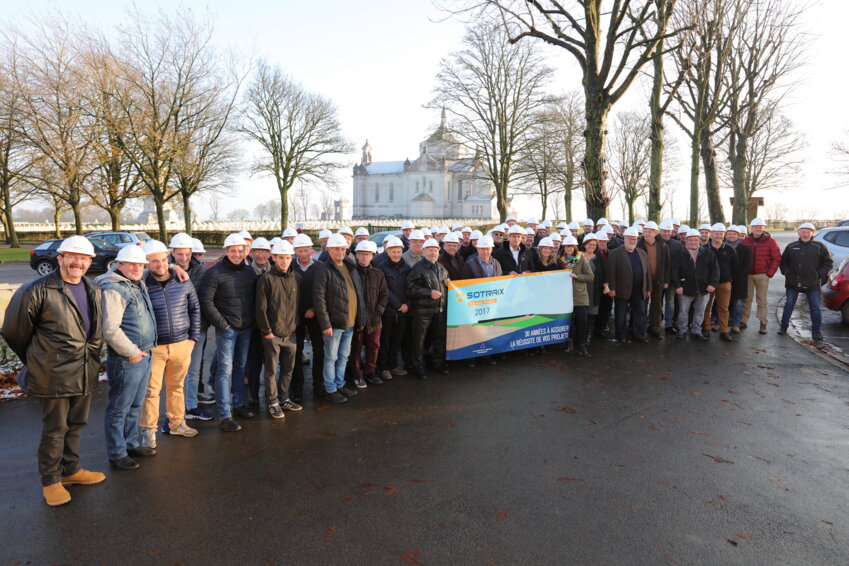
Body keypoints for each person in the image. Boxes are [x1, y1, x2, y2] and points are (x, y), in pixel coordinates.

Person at [2, 236, 106, 506]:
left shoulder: (93, 289)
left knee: (77, 424)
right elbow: (15, 332)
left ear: (90, 262)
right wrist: (39, 359)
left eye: (84, 258)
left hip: (84, 370)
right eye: (72, 256)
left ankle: (70, 471)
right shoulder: (36, 289)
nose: (78, 262)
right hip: (53, 374)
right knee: (55, 428)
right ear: (60, 258)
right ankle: (50, 480)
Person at [97, 244, 157, 470]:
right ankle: (117, 452)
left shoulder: (135, 282)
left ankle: (131, 443)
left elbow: (160, 266)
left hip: (144, 354)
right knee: (119, 408)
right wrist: (132, 353)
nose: (136, 268)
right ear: (118, 265)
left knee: (135, 405)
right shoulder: (114, 287)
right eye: (131, 264)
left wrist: (174, 266)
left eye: (140, 264)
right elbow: (110, 329)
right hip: (128, 358)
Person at [138, 240, 200, 449]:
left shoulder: (183, 281)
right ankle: (149, 430)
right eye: (154, 261)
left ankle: (176, 423)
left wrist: (193, 338)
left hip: (182, 344)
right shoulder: (141, 283)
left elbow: (194, 309)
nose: (161, 265)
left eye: (164, 260)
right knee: (151, 391)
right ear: (146, 263)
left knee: (176, 387)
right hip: (154, 347)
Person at [199, 233, 258, 432]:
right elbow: (206, 301)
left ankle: (239, 403)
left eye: (240, 251)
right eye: (233, 251)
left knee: (240, 367)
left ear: (245, 251)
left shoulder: (250, 272)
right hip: (228, 329)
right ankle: (225, 414)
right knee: (225, 370)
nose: (237, 254)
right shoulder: (215, 273)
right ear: (226, 251)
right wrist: (222, 324)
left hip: (246, 328)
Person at [313, 233, 364, 404]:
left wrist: (360, 318)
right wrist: (325, 324)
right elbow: (319, 299)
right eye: (336, 249)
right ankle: (331, 388)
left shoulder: (350, 266)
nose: (340, 252)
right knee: (331, 357)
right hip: (334, 324)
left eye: (343, 249)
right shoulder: (324, 269)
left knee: (343, 356)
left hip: (349, 322)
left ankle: (340, 383)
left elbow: (357, 293)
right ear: (329, 249)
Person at [256, 240, 301, 418]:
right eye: (280, 258)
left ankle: (284, 398)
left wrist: (295, 325)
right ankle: (272, 402)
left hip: (290, 334)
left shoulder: (297, 278)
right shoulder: (266, 279)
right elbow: (261, 308)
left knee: (288, 369)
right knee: (271, 370)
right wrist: (267, 332)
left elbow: (299, 304)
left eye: (288, 258)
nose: (284, 261)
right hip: (272, 334)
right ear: (273, 257)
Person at [170, 233, 213, 418]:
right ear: (172, 253)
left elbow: (207, 299)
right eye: (180, 254)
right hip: (173, 330)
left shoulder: (202, 272)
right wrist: (171, 267)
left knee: (193, 370)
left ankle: (191, 406)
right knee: (175, 374)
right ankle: (175, 411)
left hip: (197, 328)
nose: (185, 258)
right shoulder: (164, 271)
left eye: (188, 254)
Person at [778, 222, 833, 342]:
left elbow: (828, 263)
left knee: (815, 308)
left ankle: (816, 332)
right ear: (798, 233)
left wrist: (818, 274)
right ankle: (783, 327)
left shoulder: (819, 246)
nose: (805, 234)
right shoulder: (791, 246)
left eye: (808, 231)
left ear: (812, 233)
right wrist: (786, 272)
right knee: (789, 305)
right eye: (803, 231)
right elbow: (783, 262)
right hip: (793, 282)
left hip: (812, 283)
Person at [407, 238, 450, 379]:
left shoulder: (442, 268)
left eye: (435, 250)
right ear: (423, 252)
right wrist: (428, 293)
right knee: (419, 340)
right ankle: (418, 367)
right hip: (423, 311)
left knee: (439, 338)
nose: (433, 252)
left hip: (439, 310)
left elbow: (446, 286)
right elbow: (411, 289)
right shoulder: (418, 268)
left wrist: (448, 284)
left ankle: (438, 363)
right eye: (430, 250)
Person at [349, 240, 389, 387]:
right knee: (356, 347)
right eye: (361, 254)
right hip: (357, 318)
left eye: (367, 255)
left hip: (375, 319)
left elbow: (384, 295)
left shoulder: (378, 274)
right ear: (356, 255)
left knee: (374, 346)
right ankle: (357, 374)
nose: (364, 257)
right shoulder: (351, 274)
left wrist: (378, 313)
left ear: (372, 256)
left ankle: (370, 372)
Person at [291, 233, 324, 402]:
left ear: (312, 250)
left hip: (315, 314)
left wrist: (315, 309)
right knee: (295, 353)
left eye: (306, 250)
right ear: (295, 250)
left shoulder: (320, 267)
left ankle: (318, 385)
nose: (303, 254)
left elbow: (325, 292)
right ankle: (297, 389)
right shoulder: (289, 267)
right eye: (300, 250)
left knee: (319, 350)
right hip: (295, 316)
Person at [671, 229, 719, 340]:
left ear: (699, 240)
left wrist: (712, 284)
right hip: (685, 289)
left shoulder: (708, 253)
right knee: (683, 311)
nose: (693, 242)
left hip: (703, 289)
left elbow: (715, 270)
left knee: (700, 312)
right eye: (690, 240)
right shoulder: (679, 254)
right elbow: (674, 271)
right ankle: (682, 330)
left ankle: (697, 331)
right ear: (686, 241)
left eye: (695, 240)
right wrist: (678, 285)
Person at [606, 227, 651, 343]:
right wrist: (612, 288)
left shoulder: (642, 253)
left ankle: (639, 335)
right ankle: (621, 336)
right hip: (621, 290)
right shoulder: (615, 253)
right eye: (630, 239)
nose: (632, 241)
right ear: (624, 238)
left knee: (640, 314)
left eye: (634, 239)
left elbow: (647, 272)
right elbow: (611, 273)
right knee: (620, 315)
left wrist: (648, 288)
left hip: (639, 290)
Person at [376, 236, 412, 381]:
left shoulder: (407, 267)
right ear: (388, 251)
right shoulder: (381, 268)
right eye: (393, 251)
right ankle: (384, 367)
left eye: (398, 251)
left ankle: (394, 365)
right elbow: (384, 290)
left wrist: (408, 304)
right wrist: (398, 305)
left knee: (397, 340)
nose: (396, 254)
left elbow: (411, 288)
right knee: (385, 340)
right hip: (388, 311)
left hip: (403, 311)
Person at [244, 237, 273, 409]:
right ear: (252, 253)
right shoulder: (247, 273)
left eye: (264, 252)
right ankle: (253, 396)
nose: (261, 255)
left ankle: (271, 396)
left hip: (271, 326)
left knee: (271, 363)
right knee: (253, 364)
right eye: (257, 252)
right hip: (254, 327)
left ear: (270, 254)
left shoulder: (275, 271)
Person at [741, 218, 781, 334]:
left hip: (762, 275)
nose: (757, 229)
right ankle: (743, 320)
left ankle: (763, 322)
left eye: (760, 227)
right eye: (755, 227)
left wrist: (769, 273)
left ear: (763, 228)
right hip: (748, 275)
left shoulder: (771, 241)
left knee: (761, 299)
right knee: (747, 298)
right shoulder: (745, 241)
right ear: (751, 228)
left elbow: (776, 258)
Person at [703, 224, 738, 342]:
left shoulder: (729, 249)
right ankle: (706, 329)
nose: (718, 235)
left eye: (721, 233)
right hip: (707, 284)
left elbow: (735, 266)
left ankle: (724, 331)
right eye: (716, 233)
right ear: (711, 234)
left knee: (723, 308)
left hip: (724, 283)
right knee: (706, 307)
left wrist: (729, 279)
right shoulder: (704, 249)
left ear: (724, 235)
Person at [637, 221, 671, 339]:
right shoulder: (638, 245)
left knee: (657, 305)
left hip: (658, 280)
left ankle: (655, 328)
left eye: (650, 231)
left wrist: (666, 280)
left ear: (655, 233)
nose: (647, 233)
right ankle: (640, 329)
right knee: (642, 305)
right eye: (645, 231)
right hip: (643, 281)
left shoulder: (663, 246)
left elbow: (667, 265)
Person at [561, 236, 594, 356]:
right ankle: (568, 342)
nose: (569, 248)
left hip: (580, 296)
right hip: (565, 297)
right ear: (564, 247)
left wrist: (577, 276)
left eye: (571, 246)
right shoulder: (560, 261)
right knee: (567, 321)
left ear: (574, 247)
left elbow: (590, 277)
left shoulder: (581, 259)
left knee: (582, 321)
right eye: (566, 246)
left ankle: (582, 344)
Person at [725, 226, 753, 334]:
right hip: (724, 280)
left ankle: (735, 324)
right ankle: (724, 323)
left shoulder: (746, 249)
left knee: (738, 304)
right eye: (729, 234)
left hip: (740, 281)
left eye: (734, 234)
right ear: (726, 235)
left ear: (738, 236)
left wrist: (734, 276)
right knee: (725, 304)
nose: (731, 236)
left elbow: (747, 266)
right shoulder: (722, 248)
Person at [658, 220, 682, 335]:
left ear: (671, 231)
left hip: (672, 280)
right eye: (664, 231)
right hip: (657, 279)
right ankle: (655, 323)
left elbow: (678, 264)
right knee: (657, 302)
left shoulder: (677, 245)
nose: (666, 233)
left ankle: (669, 324)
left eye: (668, 231)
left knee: (670, 303)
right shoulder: (655, 243)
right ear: (660, 231)